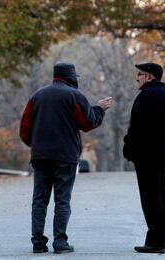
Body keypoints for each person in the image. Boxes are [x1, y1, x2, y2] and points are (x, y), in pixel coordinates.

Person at [19, 62, 112, 254]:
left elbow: (24, 128)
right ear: (71, 78)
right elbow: (88, 122)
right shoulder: (74, 96)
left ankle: (38, 242)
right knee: (62, 200)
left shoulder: (36, 96)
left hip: (41, 156)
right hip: (65, 157)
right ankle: (60, 242)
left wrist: (36, 145)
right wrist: (100, 108)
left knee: (39, 199)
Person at [123, 62, 165, 254]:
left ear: (149, 76)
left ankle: (156, 241)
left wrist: (128, 149)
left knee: (150, 199)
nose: (136, 78)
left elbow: (136, 128)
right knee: (163, 198)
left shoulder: (145, 97)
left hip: (147, 156)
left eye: (140, 74)